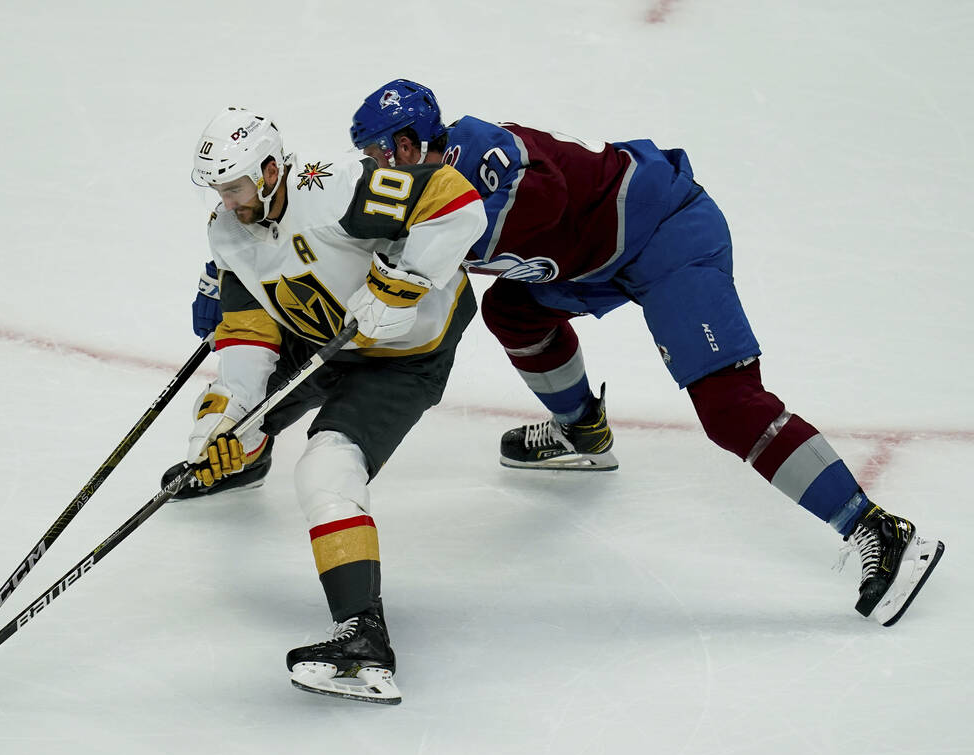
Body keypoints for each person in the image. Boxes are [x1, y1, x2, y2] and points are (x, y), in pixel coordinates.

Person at [345, 79, 943, 627]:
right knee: (514, 309)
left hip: (665, 232)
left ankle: (878, 529)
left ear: (407, 142)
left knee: (729, 405)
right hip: (593, 256)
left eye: (377, 152)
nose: (373, 166)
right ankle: (584, 432)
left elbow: (541, 197)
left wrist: (427, 253)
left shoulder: (481, 155)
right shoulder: (420, 186)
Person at [174, 106, 485, 703]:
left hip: (402, 355)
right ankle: (245, 456)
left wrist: (404, 282)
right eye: (218, 188)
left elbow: (453, 198)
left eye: (235, 185)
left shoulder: (334, 188)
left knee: (326, 469)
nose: (227, 200)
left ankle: (363, 637)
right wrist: (222, 427)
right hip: (322, 336)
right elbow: (246, 333)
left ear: (269, 171)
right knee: (229, 428)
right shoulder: (228, 229)